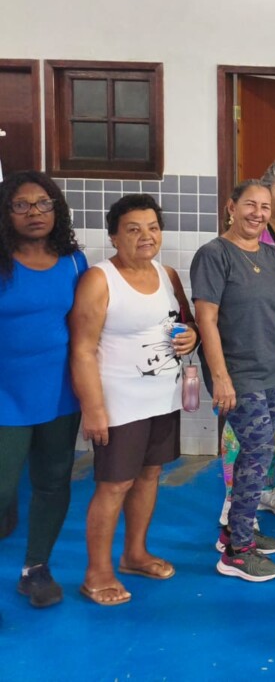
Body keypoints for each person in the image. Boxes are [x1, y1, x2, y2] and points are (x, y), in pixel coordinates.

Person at [70, 194, 200, 606]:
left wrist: (192, 336)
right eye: (133, 229)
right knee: (114, 485)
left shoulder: (168, 274)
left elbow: (185, 323)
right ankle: (97, 573)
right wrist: (93, 408)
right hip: (119, 402)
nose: (146, 236)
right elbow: (81, 349)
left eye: (153, 228)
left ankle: (134, 554)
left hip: (163, 397)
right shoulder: (99, 279)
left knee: (149, 475)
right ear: (114, 236)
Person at [192, 180, 275, 582]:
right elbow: (206, 319)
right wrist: (220, 377)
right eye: (250, 205)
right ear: (231, 207)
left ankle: (233, 531)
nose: (258, 213)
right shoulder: (214, 255)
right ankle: (238, 551)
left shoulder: (273, 256)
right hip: (239, 376)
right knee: (257, 454)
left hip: (274, 371)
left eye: (265, 207)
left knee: (254, 455)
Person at [0, 172, 87, 612]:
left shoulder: (74, 263)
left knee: (53, 482)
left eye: (43, 203)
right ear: (6, 212)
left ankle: (35, 569)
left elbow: (87, 328)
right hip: (5, 395)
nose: (34, 212)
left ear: (57, 210)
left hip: (59, 394)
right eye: (22, 204)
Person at [215, 156, 275, 528]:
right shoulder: (244, 236)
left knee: (267, 428)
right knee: (241, 430)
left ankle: (265, 489)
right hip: (243, 347)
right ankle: (234, 502)